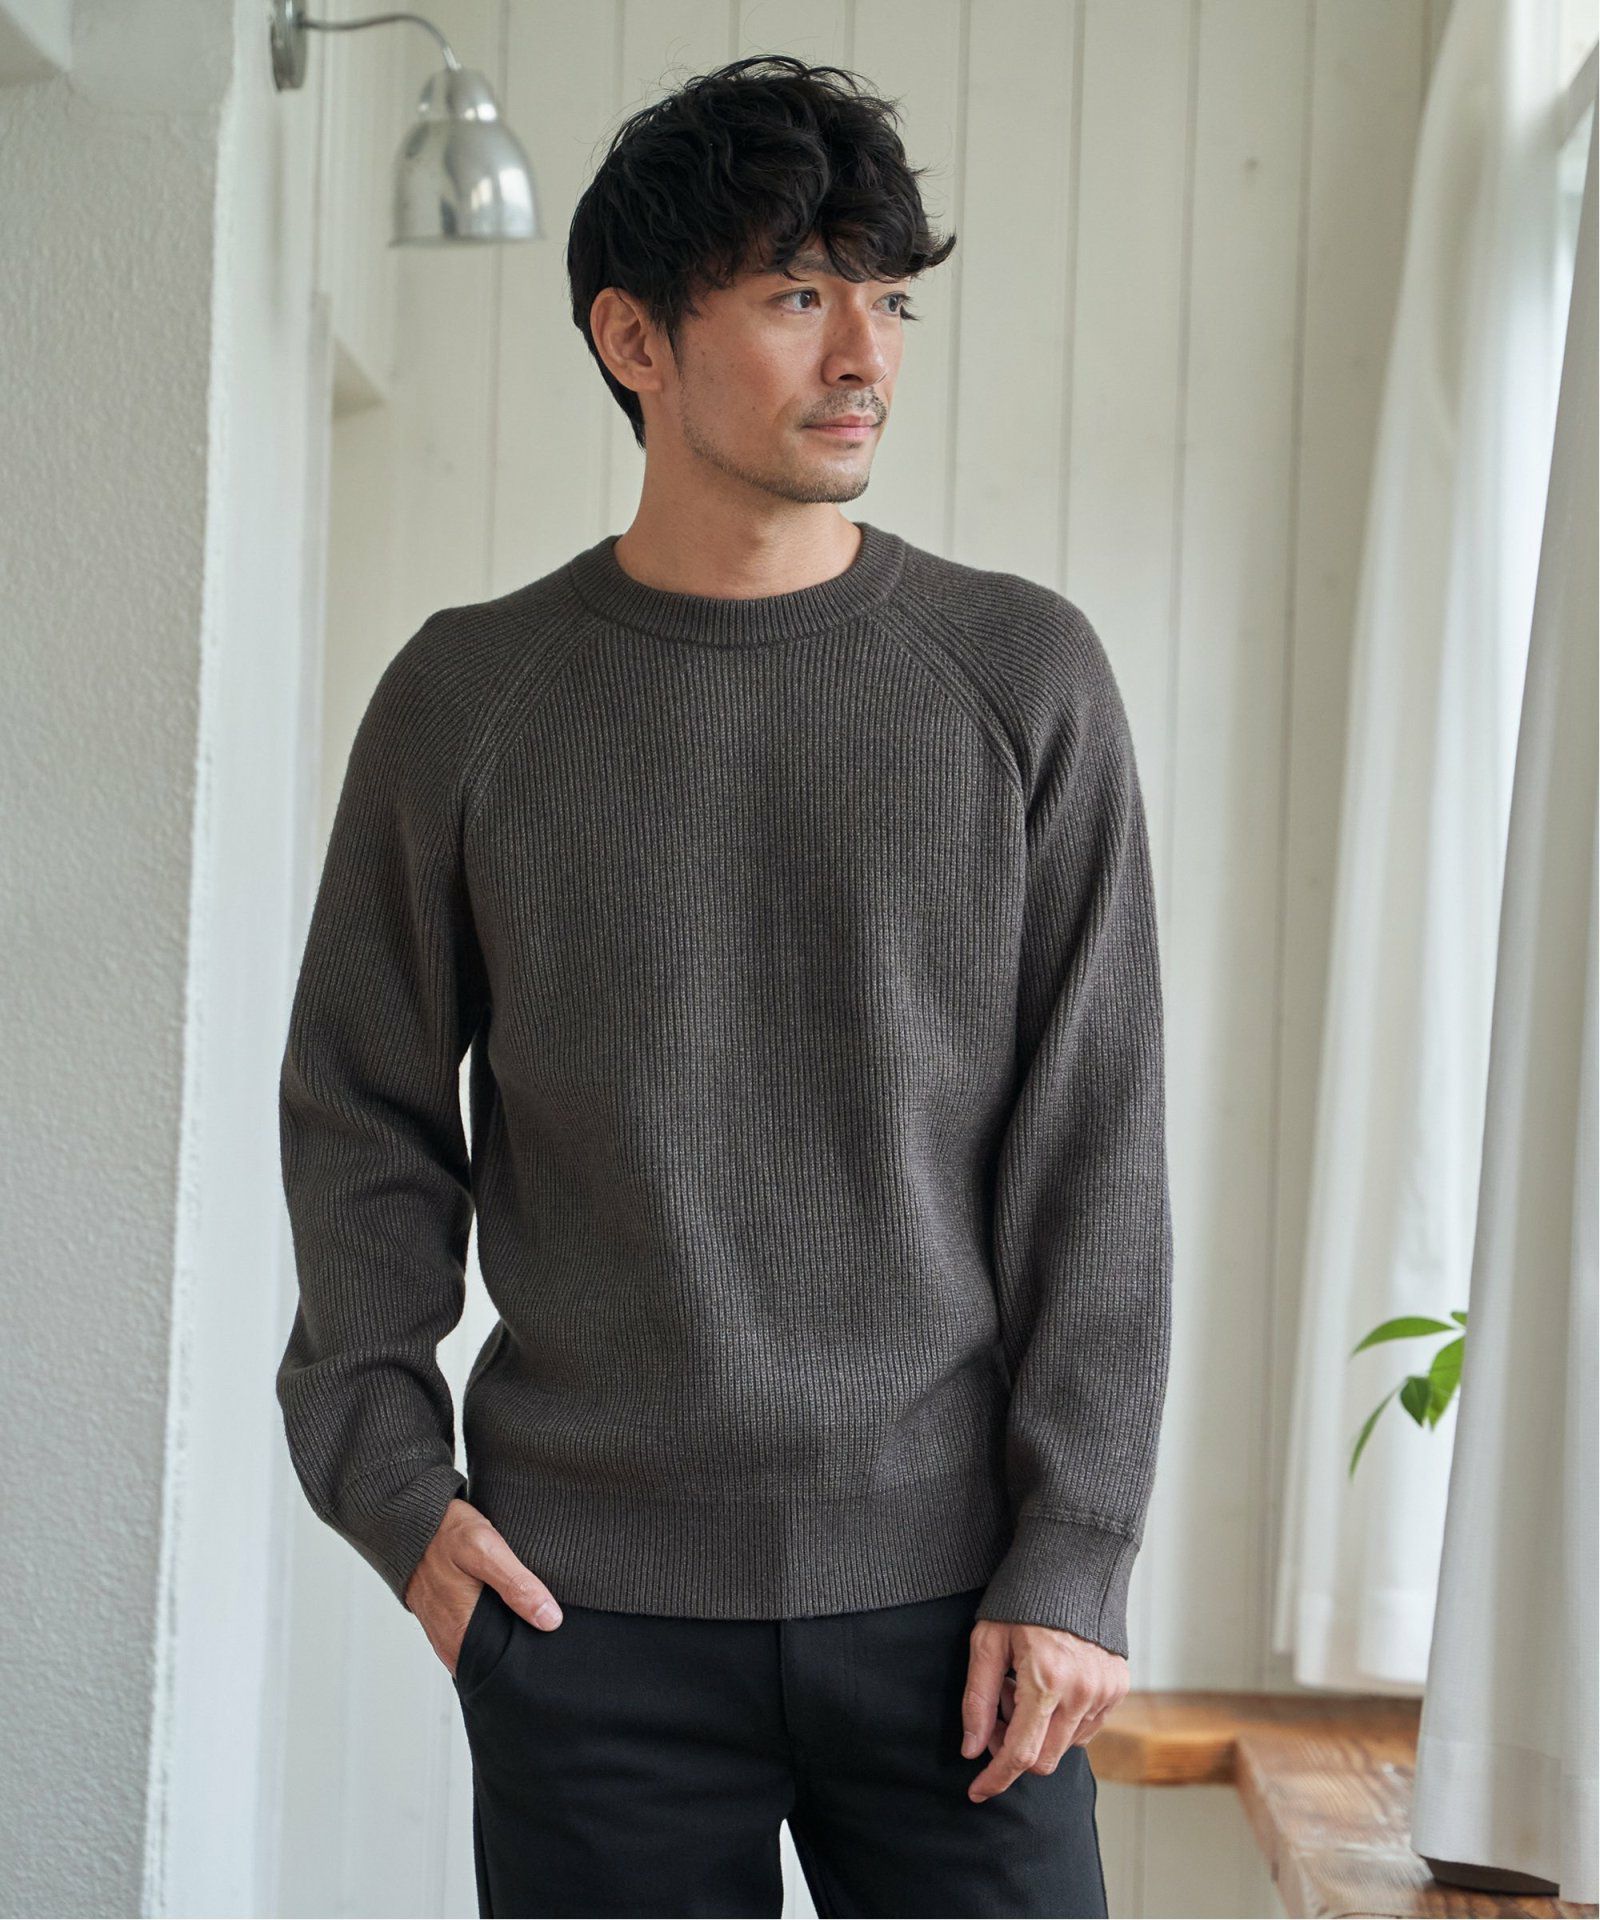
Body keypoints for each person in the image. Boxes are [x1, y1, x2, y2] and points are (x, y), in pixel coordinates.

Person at [276, 51, 1172, 1920]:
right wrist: (391, 1484)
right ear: (634, 338)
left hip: (965, 1622)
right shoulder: (469, 698)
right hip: (582, 1620)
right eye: (794, 294)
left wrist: (1077, 1548)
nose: (864, 355)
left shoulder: (1023, 678)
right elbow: (361, 1109)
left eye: (889, 299)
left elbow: (1095, 1149)